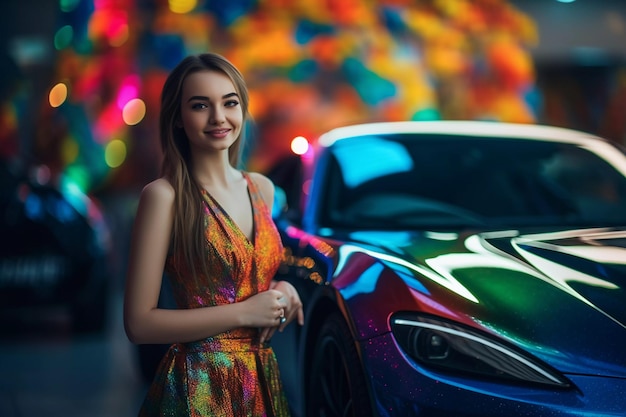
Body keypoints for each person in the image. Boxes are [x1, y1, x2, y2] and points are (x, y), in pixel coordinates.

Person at [123, 52, 303, 417]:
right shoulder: (164, 197)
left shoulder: (262, 189)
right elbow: (139, 324)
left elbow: (252, 281)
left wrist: (282, 291)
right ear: (178, 117)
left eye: (229, 103)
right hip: (198, 390)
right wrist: (244, 313)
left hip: (262, 383)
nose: (219, 117)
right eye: (200, 105)